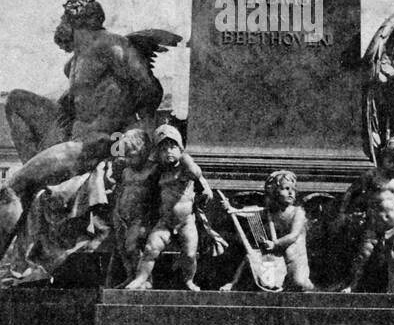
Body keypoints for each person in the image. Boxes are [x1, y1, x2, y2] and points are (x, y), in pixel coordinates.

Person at [0, 0, 178, 285]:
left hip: (97, 144)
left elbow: (150, 89)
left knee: (13, 189)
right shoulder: (75, 61)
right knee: (16, 100)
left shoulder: (111, 46)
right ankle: (34, 171)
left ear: (75, 20)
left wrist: (136, 132)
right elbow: (80, 102)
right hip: (76, 139)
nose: (58, 27)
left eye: (62, 20)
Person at [126, 125, 213, 292]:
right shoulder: (159, 170)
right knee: (151, 249)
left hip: (186, 222)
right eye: (163, 149)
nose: (169, 152)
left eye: (173, 147)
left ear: (180, 148)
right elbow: (147, 191)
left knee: (189, 254)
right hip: (165, 221)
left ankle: (189, 280)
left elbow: (197, 175)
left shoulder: (185, 168)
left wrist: (187, 160)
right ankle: (140, 278)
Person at [339, 138, 394, 295]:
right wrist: (344, 212)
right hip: (374, 226)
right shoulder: (371, 175)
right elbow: (351, 192)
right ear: (383, 157)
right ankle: (352, 284)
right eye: (390, 160)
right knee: (362, 256)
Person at [221, 169, 313, 292]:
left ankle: (311, 284)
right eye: (286, 189)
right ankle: (234, 283)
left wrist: (275, 244)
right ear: (274, 192)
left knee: (299, 283)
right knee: (252, 256)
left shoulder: (298, 212)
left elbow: (293, 235)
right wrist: (230, 208)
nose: (291, 193)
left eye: (293, 190)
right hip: (274, 256)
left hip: (294, 256)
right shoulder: (269, 211)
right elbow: (245, 213)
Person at [108, 128, 157, 284]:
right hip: (122, 216)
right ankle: (131, 276)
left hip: (140, 217)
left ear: (143, 151)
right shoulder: (126, 171)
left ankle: (145, 279)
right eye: (126, 155)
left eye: (132, 155)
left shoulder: (152, 170)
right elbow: (120, 190)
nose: (127, 159)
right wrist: (116, 210)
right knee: (123, 249)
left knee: (132, 247)